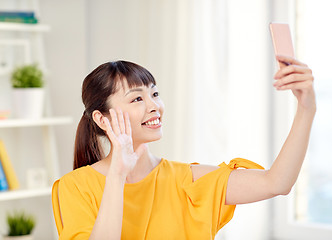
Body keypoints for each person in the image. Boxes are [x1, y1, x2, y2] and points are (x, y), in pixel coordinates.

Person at [52, 55, 316, 239]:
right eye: (137, 99)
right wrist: (118, 174)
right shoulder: (75, 187)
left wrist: (306, 108)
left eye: (154, 94)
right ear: (102, 118)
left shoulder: (187, 180)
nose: (154, 105)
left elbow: (277, 182)